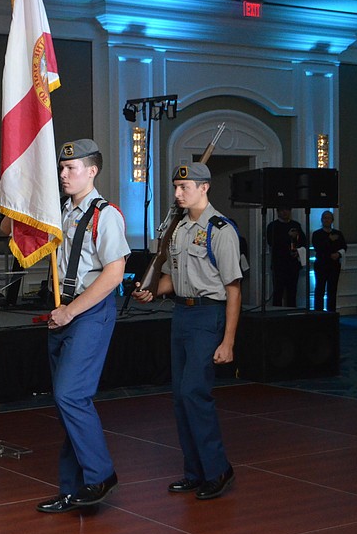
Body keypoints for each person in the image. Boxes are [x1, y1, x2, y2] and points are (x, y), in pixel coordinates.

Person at [133, 162, 240, 500]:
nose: (178, 194)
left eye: (185, 188)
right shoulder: (178, 230)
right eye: (177, 188)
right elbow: (176, 279)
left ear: (204, 188)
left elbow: (234, 289)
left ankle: (218, 469)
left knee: (195, 392)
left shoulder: (221, 230)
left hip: (208, 317)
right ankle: (195, 472)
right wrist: (153, 290)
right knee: (181, 397)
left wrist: (229, 342)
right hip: (181, 314)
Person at [33, 139, 129, 514]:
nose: (63, 175)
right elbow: (12, 226)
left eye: (71, 168)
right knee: (66, 405)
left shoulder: (106, 215)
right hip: (62, 313)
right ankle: (72, 488)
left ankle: (101, 475)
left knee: (71, 396)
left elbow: (114, 273)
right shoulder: (63, 212)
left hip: (87, 313)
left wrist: (72, 311)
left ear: (92, 171)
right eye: (61, 168)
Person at [266, 207, 306, 307]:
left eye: (287, 210)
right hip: (279, 265)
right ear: (277, 212)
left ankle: (292, 315)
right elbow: (271, 242)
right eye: (282, 210)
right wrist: (287, 236)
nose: (285, 212)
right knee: (278, 292)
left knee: (292, 292)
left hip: (293, 264)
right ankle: (277, 315)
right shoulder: (273, 226)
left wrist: (298, 251)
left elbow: (304, 241)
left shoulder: (296, 225)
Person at [312, 210, 347, 312]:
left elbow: (344, 246)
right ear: (321, 220)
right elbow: (318, 247)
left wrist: (338, 254)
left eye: (329, 218)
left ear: (332, 220)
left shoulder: (338, 233)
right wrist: (329, 240)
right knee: (320, 289)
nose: (326, 220)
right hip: (321, 265)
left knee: (332, 289)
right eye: (325, 218)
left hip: (334, 265)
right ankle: (318, 312)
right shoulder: (317, 234)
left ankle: (331, 313)